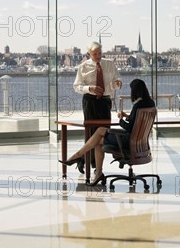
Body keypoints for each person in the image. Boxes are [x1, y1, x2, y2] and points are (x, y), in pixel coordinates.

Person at [60, 79, 156, 186]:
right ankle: (84, 162)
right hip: (140, 143)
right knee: (100, 134)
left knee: (99, 135)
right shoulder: (150, 103)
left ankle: (80, 158)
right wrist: (127, 116)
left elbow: (129, 128)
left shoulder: (137, 105)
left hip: (128, 140)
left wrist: (120, 120)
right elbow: (137, 123)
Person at [73, 41, 122, 172]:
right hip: (90, 101)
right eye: (95, 54)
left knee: (104, 134)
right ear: (89, 54)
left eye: (100, 53)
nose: (99, 55)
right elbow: (77, 86)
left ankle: (85, 161)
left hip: (105, 101)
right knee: (91, 134)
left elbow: (115, 83)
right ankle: (92, 165)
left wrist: (117, 84)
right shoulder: (83, 67)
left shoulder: (109, 64)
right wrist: (89, 88)